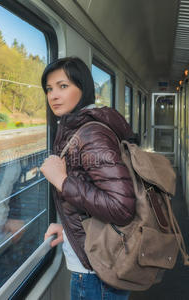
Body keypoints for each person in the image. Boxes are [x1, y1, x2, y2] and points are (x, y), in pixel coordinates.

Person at [40, 57, 136, 300]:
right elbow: (94, 193)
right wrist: (70, 230)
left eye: (63, 86)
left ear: (82, 89)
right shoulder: (76, 128)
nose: (53, 96)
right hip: (94, 263)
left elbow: (121, 207)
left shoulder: (90, 133)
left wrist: (62, 181)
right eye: (49, 89)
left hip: (96, 275)